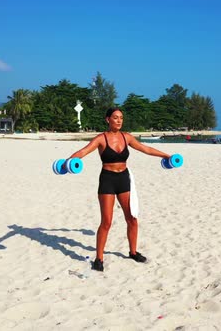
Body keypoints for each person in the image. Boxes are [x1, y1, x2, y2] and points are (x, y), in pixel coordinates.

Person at [65, 107, 171, 272]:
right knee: (106, 222)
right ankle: (99, 258)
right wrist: (69, 161)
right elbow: (83, 151)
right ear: (108, 119)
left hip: (123, 179)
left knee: (132, 218)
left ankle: (133, 252)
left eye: (121, 117)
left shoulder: (126, 137)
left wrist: (167, 156)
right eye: (115, 117)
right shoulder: (101, 139)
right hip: (107, 180)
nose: (119, 120)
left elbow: (146, 149)